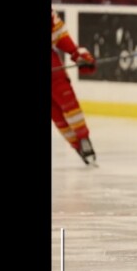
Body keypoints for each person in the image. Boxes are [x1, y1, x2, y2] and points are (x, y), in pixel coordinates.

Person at [51, 9, 98, 166]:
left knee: (68, 102)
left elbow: (60, 35)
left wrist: (77, 54)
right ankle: (78, 145)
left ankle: (83, 139)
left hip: (53, 68)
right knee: (56, 114)